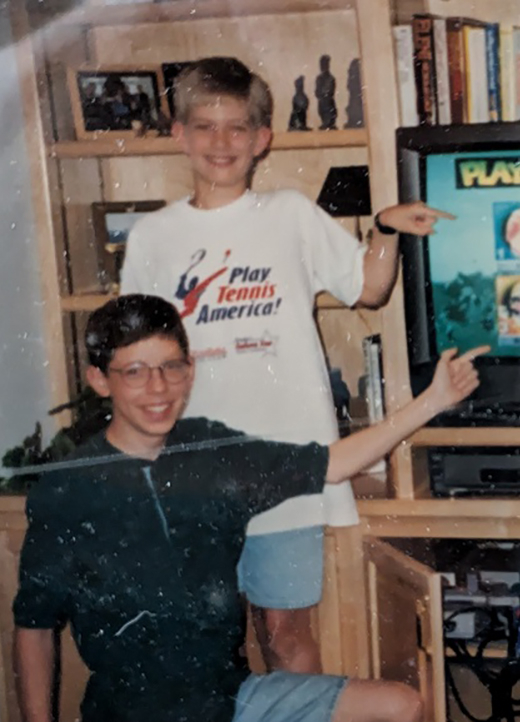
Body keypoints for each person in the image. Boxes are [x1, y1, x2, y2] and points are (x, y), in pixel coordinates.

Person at [119, 56, 455, 676]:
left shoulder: (291, 215)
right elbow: (134, 363)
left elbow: (370, 288)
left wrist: (384, 228)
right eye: (205, 127)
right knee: (204, 639)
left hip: (288, 470)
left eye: (238, 128)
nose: (222, 143)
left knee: (285, 632)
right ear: (180, 135)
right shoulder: (151, 239)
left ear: (261, 138)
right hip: (192, 475)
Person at [12, 294, 488, 722]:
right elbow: (34, 627)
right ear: (100, 379)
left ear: (191, 370)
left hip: (232, 702)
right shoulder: (69, 489)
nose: (158, 388)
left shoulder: (214, 452)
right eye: (134, 372)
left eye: (171, 367)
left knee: (401, 706)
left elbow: (334, 463)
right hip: (133, 713)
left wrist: (434, 400)